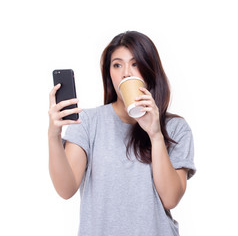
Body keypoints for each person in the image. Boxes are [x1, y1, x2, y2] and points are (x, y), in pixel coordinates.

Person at [48, 31, 196, 236]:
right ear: (109, 73)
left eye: (135, 64)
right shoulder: (88, 122)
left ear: (150, 70)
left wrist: (155, 134)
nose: (126, 73)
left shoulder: (175, 128)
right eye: (117, 65)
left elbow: (171, 199)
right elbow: (66, 189)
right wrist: (54, 135)